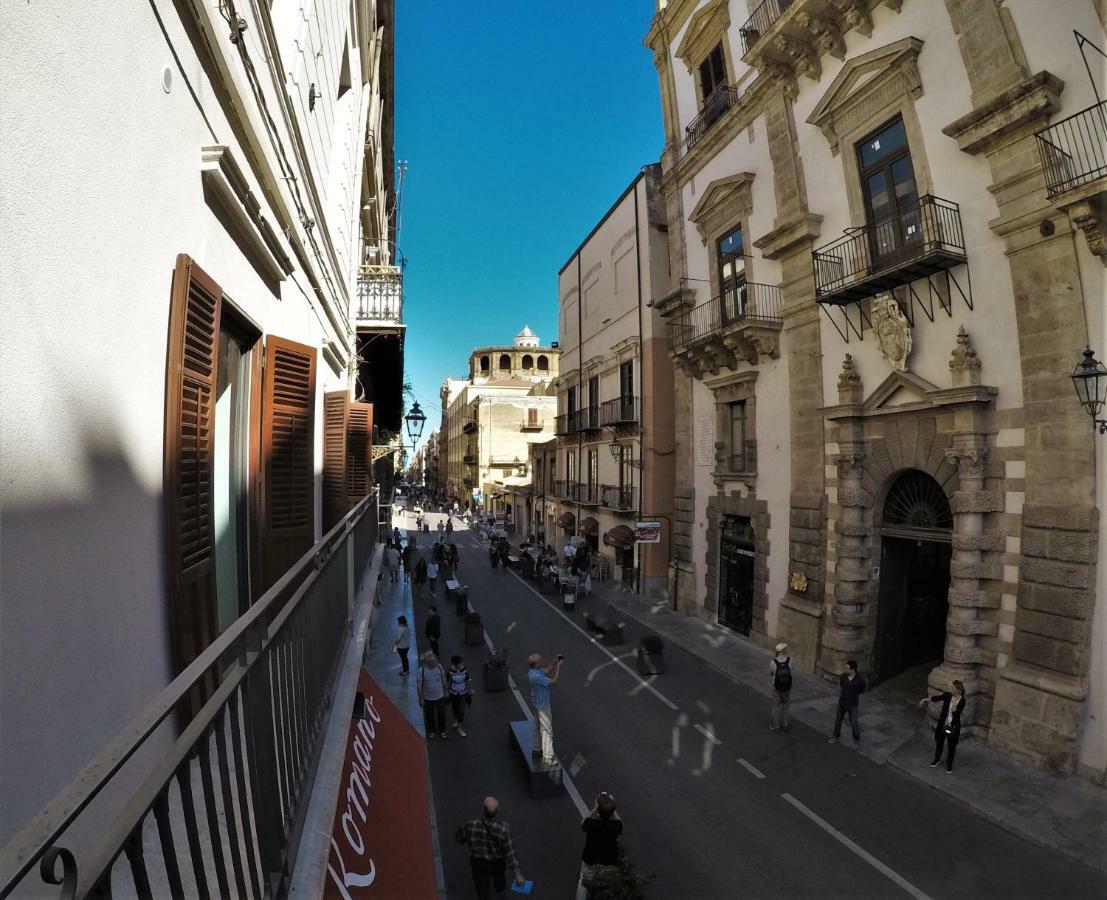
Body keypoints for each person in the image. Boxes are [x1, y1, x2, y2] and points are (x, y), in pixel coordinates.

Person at [456, 797, 526, 898]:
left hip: (478, 863)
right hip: (497, 862)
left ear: (482, 810)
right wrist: (518, 874)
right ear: (497, 812)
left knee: (482, 889)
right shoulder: (503, 828)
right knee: (499, 880)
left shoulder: (471, 825)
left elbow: (459, 838)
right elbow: (510, 852)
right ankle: (500, 891)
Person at [576, 792, 622, 900]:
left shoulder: (591, 824)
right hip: (608, 862)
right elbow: (620, 821)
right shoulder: (615, 826)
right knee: (605, 884)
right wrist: (612, 809)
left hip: (590, 860)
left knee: (583, 881)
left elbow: (583, 822)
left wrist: (595, 809)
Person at [919, 679, 967, 773]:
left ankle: (949, 764)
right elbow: (936, 698)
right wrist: (924, 700)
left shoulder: (962, 701)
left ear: (958, 690)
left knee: (951, 746)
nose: (950, 689)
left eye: (952, 688)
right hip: (943, 724)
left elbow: (957, 716)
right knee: (939, 742)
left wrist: (953, 709)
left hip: (953, 727)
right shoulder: (948, 695)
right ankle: (937, 758)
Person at [527, 653, 563, 765]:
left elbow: (547, 670)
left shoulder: (534, 671)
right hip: (543, 705)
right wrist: (559, 667)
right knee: (547, 730)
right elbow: (554, 681)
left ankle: (536, 749)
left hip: (537, 702)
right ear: (535, 664)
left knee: (537, 727)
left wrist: (554, 662)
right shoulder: (536, 676)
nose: (541, 661)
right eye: (539, 661)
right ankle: (548, 757)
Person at [829, 660, 866, 745]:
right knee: (838, 720)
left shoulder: (860, 679)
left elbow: (862, 689)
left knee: (853, 722)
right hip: (842, 702)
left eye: (847, 668)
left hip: (853, 704)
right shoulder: (844, 677)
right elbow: (842, 685)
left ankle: (856, 740)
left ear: (853, 670)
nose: (845, 669)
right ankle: (836, 736)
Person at [418, 652, 449, 739]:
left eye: (435, 661)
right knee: (429, 715)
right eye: (433, 662)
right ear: (428, 663)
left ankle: (442, 730)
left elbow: (443, 677)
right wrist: (421, 698)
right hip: (428, 698)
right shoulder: (421, 670)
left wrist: (446, 690)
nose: (435, 663)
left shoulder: (439, 667)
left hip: (440, 696)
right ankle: (432, 731)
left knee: (441, 714)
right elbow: (419, 685)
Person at [769, 642, 792, 732]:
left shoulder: (773, 662)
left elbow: (771, 673)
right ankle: (785, 725)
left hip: (776, 687)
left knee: (776, 706)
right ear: (785, 651)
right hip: (787, 687)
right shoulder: (790, 660)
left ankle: (776, 726)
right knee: (786, 705)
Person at [448, 654, 473, 737]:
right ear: (455, 664)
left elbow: (468, 679)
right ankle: (455, 719)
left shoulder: (464, 669)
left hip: (463, 693)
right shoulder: (450, 671)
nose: (462, 664)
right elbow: (447, 682)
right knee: (455, 708)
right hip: (453, 693)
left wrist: (471, 689)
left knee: (461, 711)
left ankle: (460, 728)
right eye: (460, 663)